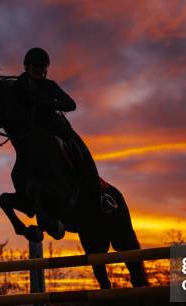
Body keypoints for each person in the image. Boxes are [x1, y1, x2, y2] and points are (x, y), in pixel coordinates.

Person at [12, 47, 117, 213]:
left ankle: (99, 195)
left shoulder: (50, 85)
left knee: (80, 148)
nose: (39, 70)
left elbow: (71, 104)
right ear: (27, 67)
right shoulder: (17, 85)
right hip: (30, 130)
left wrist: (51, 104)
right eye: (35, 66)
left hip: (54, 126)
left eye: (42, 67)